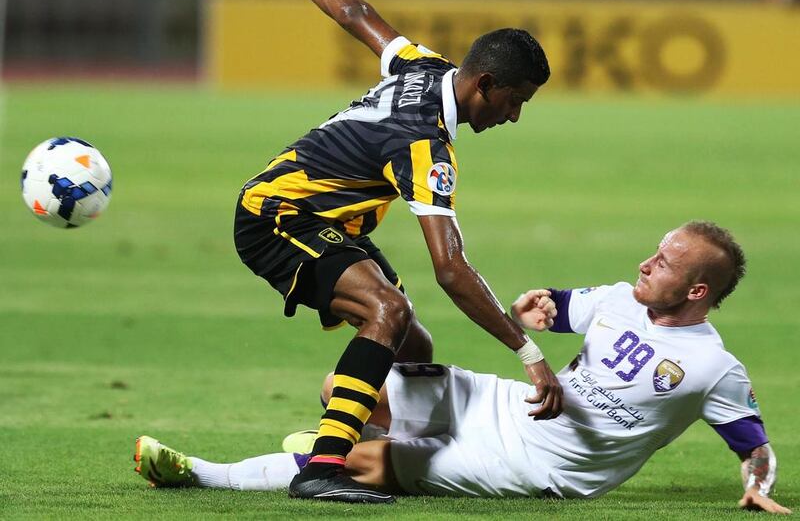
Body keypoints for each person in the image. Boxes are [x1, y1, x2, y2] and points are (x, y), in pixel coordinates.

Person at [135, 221, 791, 514]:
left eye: (666, 263)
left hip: (538, 467)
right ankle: (353, 441)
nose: (648, 264)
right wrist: (538, 305)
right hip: (506, 403)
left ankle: (200, 475)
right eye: (655, 252)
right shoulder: (621, 299)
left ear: (698, 291)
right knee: (344, 388)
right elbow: (559, 306)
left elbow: (752, 445)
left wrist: (759, 481)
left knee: (359, 465)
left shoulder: (713, 368)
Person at [231, 0, 561, 503]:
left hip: (328, 220)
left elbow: (355, 15)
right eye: (514, 100)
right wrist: (529, 355)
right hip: (279, 216)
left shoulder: (424, 66)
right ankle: (322, 468)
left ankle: (368, 444)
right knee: (387, 309)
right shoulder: (425, 145)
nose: (514, 115)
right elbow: (451, 269)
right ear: (484, 84)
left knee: (412, 346)